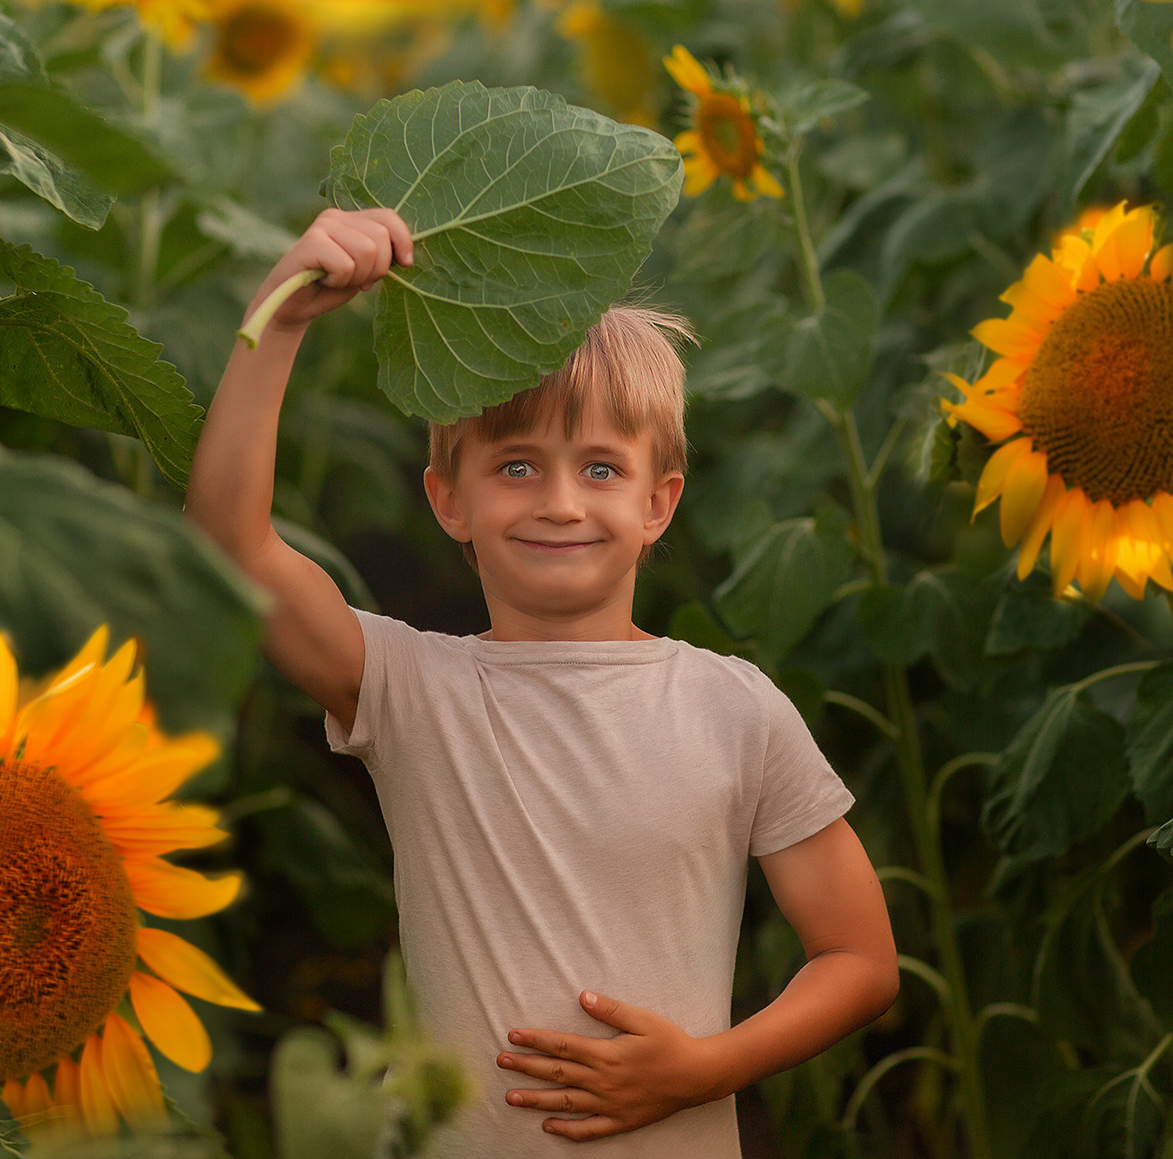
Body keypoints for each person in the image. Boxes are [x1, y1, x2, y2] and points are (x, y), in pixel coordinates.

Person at [184, 206, 898, 1158]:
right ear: (450, 499)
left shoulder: (734, 707)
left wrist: (707, 1067)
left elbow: (860, 958)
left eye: (600, 468)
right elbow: (228, 549)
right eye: (517, 465)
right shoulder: (412, 690)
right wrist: (281, 319)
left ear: (658, 502)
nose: (560, 502)